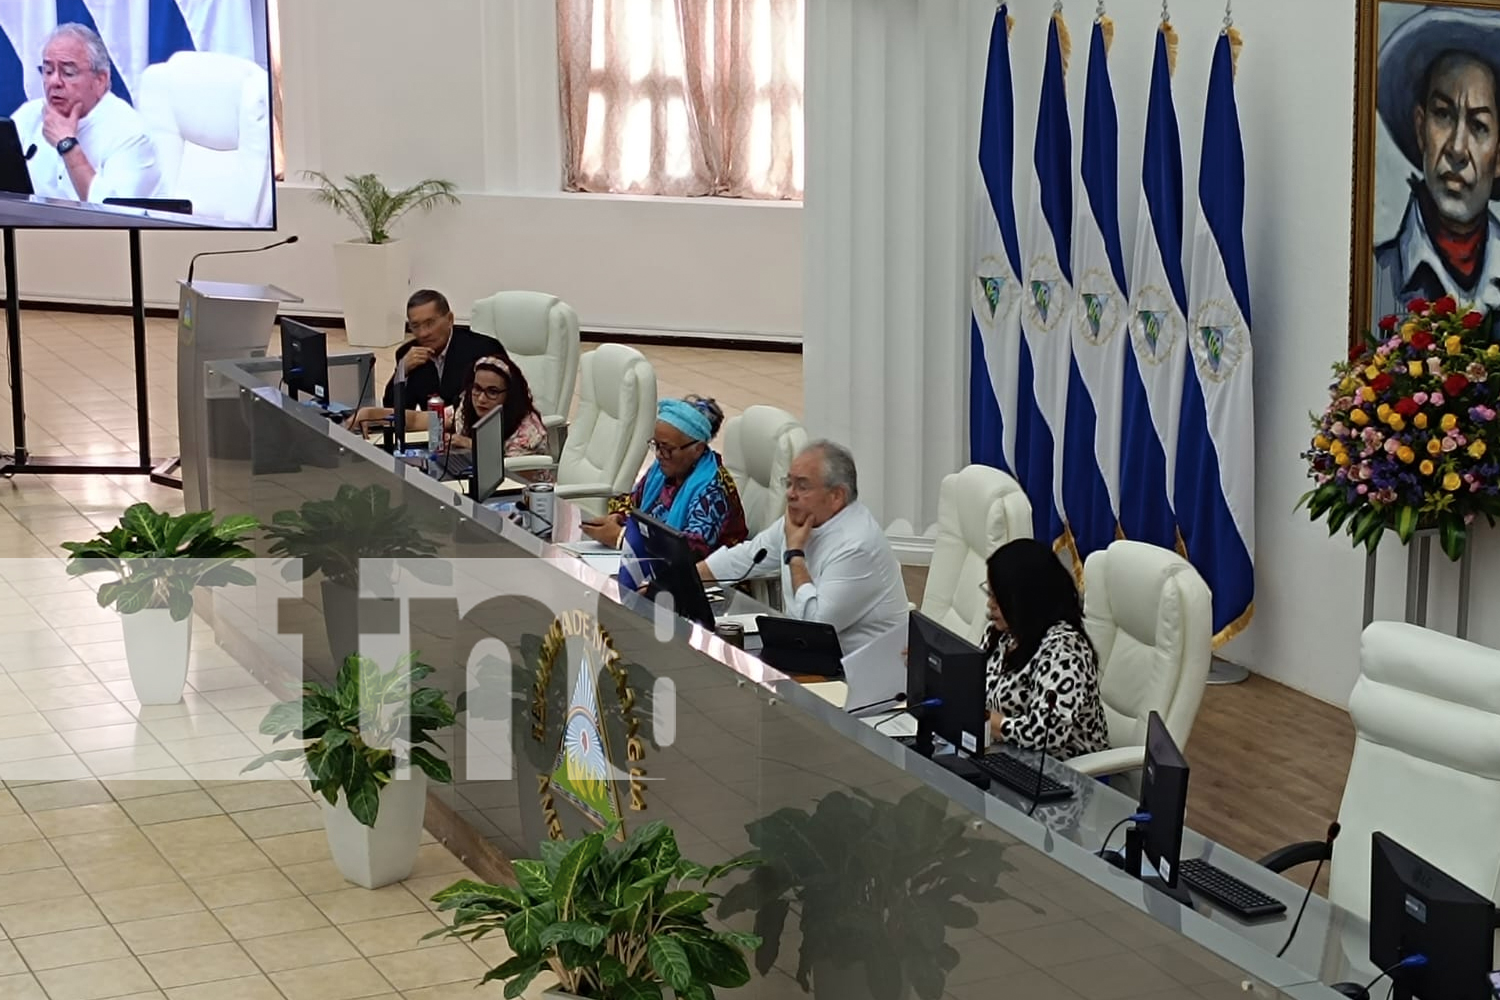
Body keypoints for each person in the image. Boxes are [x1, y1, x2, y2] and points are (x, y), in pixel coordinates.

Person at [699, 440, 907, 655]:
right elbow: (749, 556)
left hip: (854, 672)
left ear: (836, 496)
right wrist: (688, 578)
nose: (790, 494)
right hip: (805, 652)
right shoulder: (804, 517)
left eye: (802, 486)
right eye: (789, 483)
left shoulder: (858, 546)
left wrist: (795, 556)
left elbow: (815, 626)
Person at [1372, 9, 1500, 321]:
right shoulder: (1379, 278)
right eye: (1443, 114)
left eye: (1479, 125)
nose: (1457, 149)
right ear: (1420, 128)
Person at [981, 539, 1108, 759]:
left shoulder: (1066, 650)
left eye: (998, 597)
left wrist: (989, 721)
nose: (990, 604)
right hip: (1004, 756)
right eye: (990, 593)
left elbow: (1047, 734)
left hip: (1063, 774)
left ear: (1024, 599)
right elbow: (972, 684)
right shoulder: (1002, 633)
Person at [581, 396, 748, 563]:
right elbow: (633, 503)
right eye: (656, 445)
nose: (660, 455)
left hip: (703, 579)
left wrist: (622, 538)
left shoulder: (713, 489)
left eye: (667, 448)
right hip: (651, 565)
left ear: (697, 449)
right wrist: (618, 517)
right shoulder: (661, 472)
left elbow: (691, 551)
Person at [11, 24, 163, 205]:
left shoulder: (131, 133)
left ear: (100, 81)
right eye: (48, 71)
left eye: (68, 73)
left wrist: (68, 146)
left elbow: (118, 218)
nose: (54, 82)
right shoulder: (28, 116)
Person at [378, 290, 507, 412]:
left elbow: (502, 403)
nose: (423, 333)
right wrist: (402, 371)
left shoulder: (484, 349)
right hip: (430, 431)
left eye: (430, 323)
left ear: (450, 319)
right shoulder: (408, 354)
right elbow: (393, 412)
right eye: (415, 326)